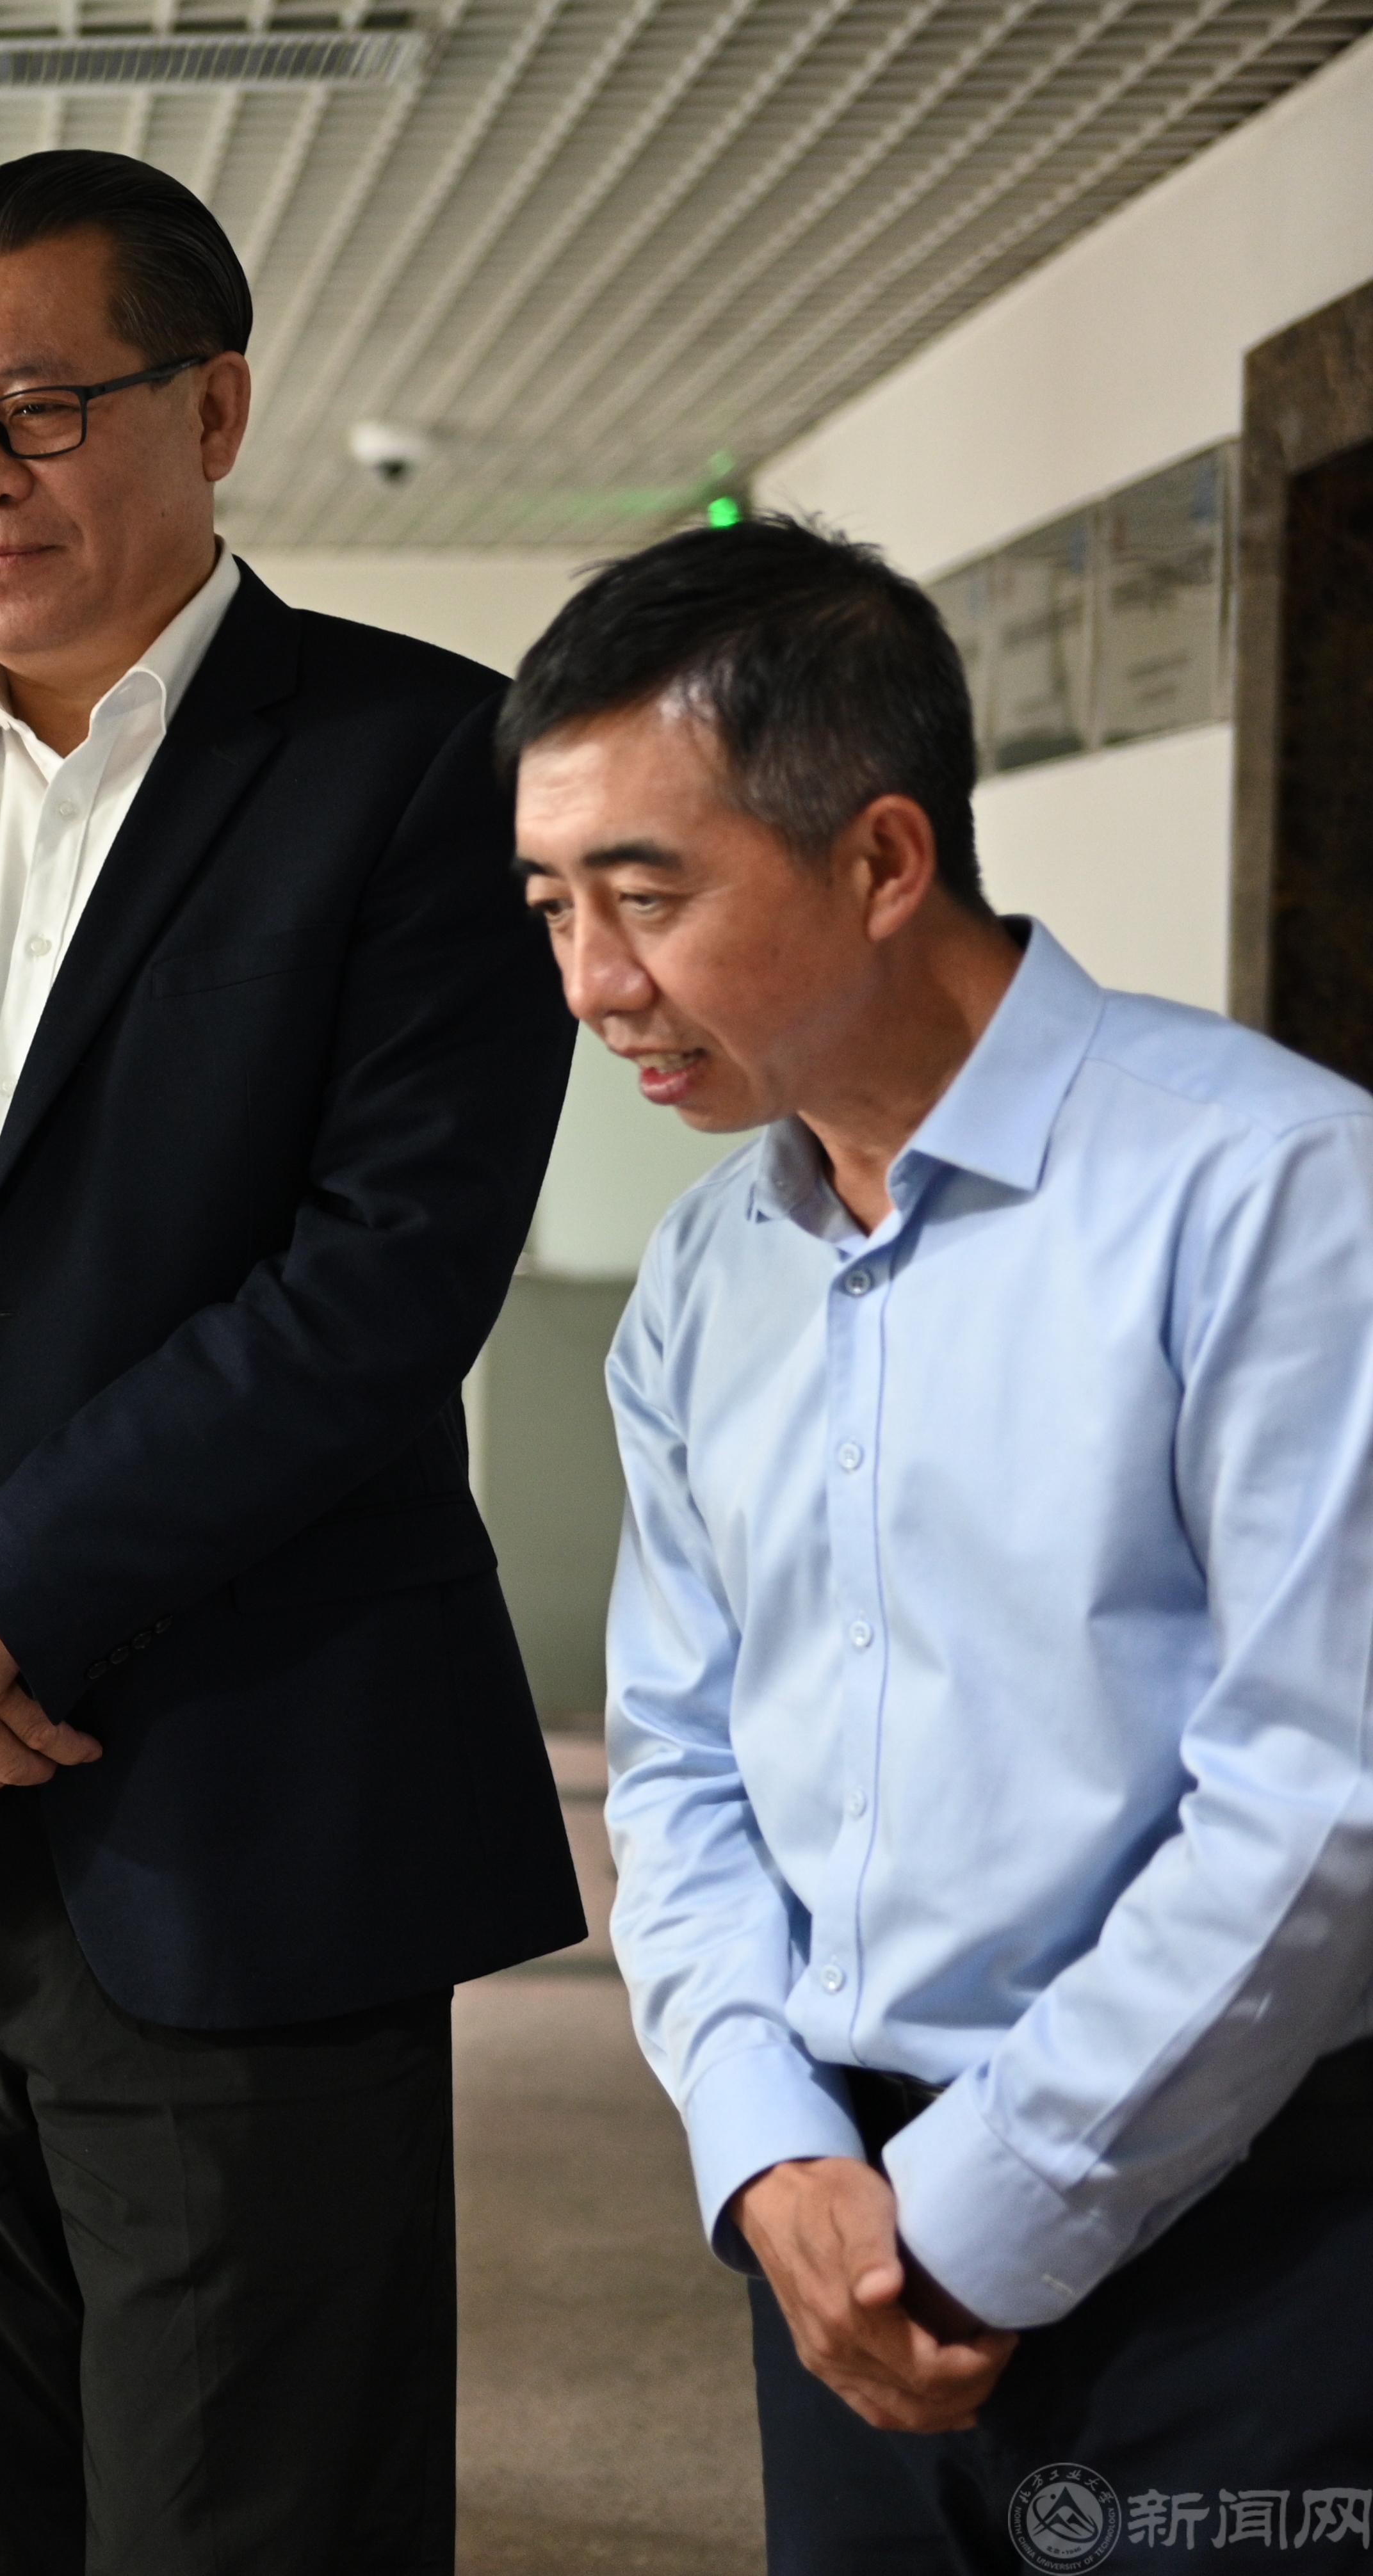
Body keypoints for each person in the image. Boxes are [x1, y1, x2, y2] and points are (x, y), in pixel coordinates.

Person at [0, 150, 582, 2572]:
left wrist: (4, 1592)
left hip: (239, 1810)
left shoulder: (423, 766)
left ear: (214, 407)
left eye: (40, 406)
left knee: (245, 2520)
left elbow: (384, 1276)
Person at [516, 519, 1373, 2570]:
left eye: (649, 897)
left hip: (1238, 2220)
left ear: (885, 859)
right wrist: (766, 2147)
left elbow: (1320, 1787)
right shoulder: (709, 1271)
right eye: (552, 908)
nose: (593, 984)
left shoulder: (1271, 1189)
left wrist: (991, 2207)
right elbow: (683, 1761)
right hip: (828, 2212)